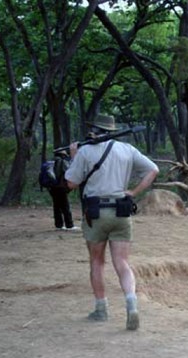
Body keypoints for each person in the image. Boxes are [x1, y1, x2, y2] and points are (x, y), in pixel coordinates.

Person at [64, 114, 159, 331]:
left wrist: (73, 156)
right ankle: (131, 303)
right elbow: (153, 169)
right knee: (123, 263)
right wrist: (134, 191)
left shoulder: (85, 151)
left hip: (95, 212)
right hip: (121, 210)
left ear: (94, 131)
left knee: (97, 262)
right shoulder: (127, 150)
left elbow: (70, 183)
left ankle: (101, 308)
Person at [48, 151, 78, 231]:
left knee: (56, 206)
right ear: (63, 154)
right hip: (60, 187)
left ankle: (58, 225)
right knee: (65, 206)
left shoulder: (51, 161)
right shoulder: (62, 161)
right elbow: (68, 171)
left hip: (52, 187)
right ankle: (69, 225)